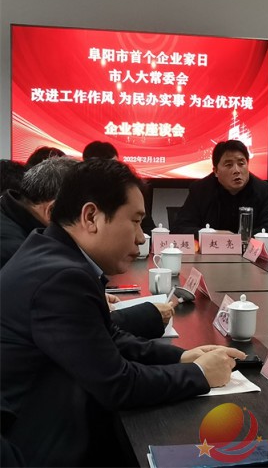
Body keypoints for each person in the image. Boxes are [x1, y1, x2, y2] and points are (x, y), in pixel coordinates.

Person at [0, 159, 246, 466]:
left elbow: (106, 337)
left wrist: (182, 357)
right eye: (135, 221)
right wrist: (199, 374)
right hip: (33, 444)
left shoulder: (52, 253)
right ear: (91, 217)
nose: (141, 237)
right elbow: (118, 385)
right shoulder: (61, 277)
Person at [0, 157, 171, 339]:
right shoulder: (15, 249)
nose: (141, 238)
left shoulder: (27, 234)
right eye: (135, 221)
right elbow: (72, 330)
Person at [173, 139, 268, 239]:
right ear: (216, 171)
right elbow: (180, 228)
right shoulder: (200, 190)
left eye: (241, 163)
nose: (236, 170)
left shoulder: (262, 189)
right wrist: (213, 235)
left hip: (248, 251)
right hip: (210, 251)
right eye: (229, 165)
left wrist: (238, 239)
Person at [82, 140, 156, 233]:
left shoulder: (130, 193)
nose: (116, 171)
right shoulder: (77, 195)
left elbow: (149, 229)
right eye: (110, 167)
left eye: (117, 165)